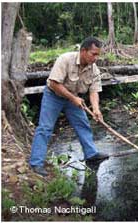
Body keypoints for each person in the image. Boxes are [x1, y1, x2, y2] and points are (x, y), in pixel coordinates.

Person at [29, 37, 108, 177]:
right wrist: (73, 98)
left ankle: (91, 154)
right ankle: (36, 163)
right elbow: (54, 83)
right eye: (93, 54)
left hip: (73, 98)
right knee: (45, 127)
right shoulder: (65, 59)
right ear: (83, 51)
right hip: (54, 95)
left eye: (98, 54)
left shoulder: (94, 69)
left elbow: (94, 90)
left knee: (83, 124)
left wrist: (96, 109)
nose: (96, 58)